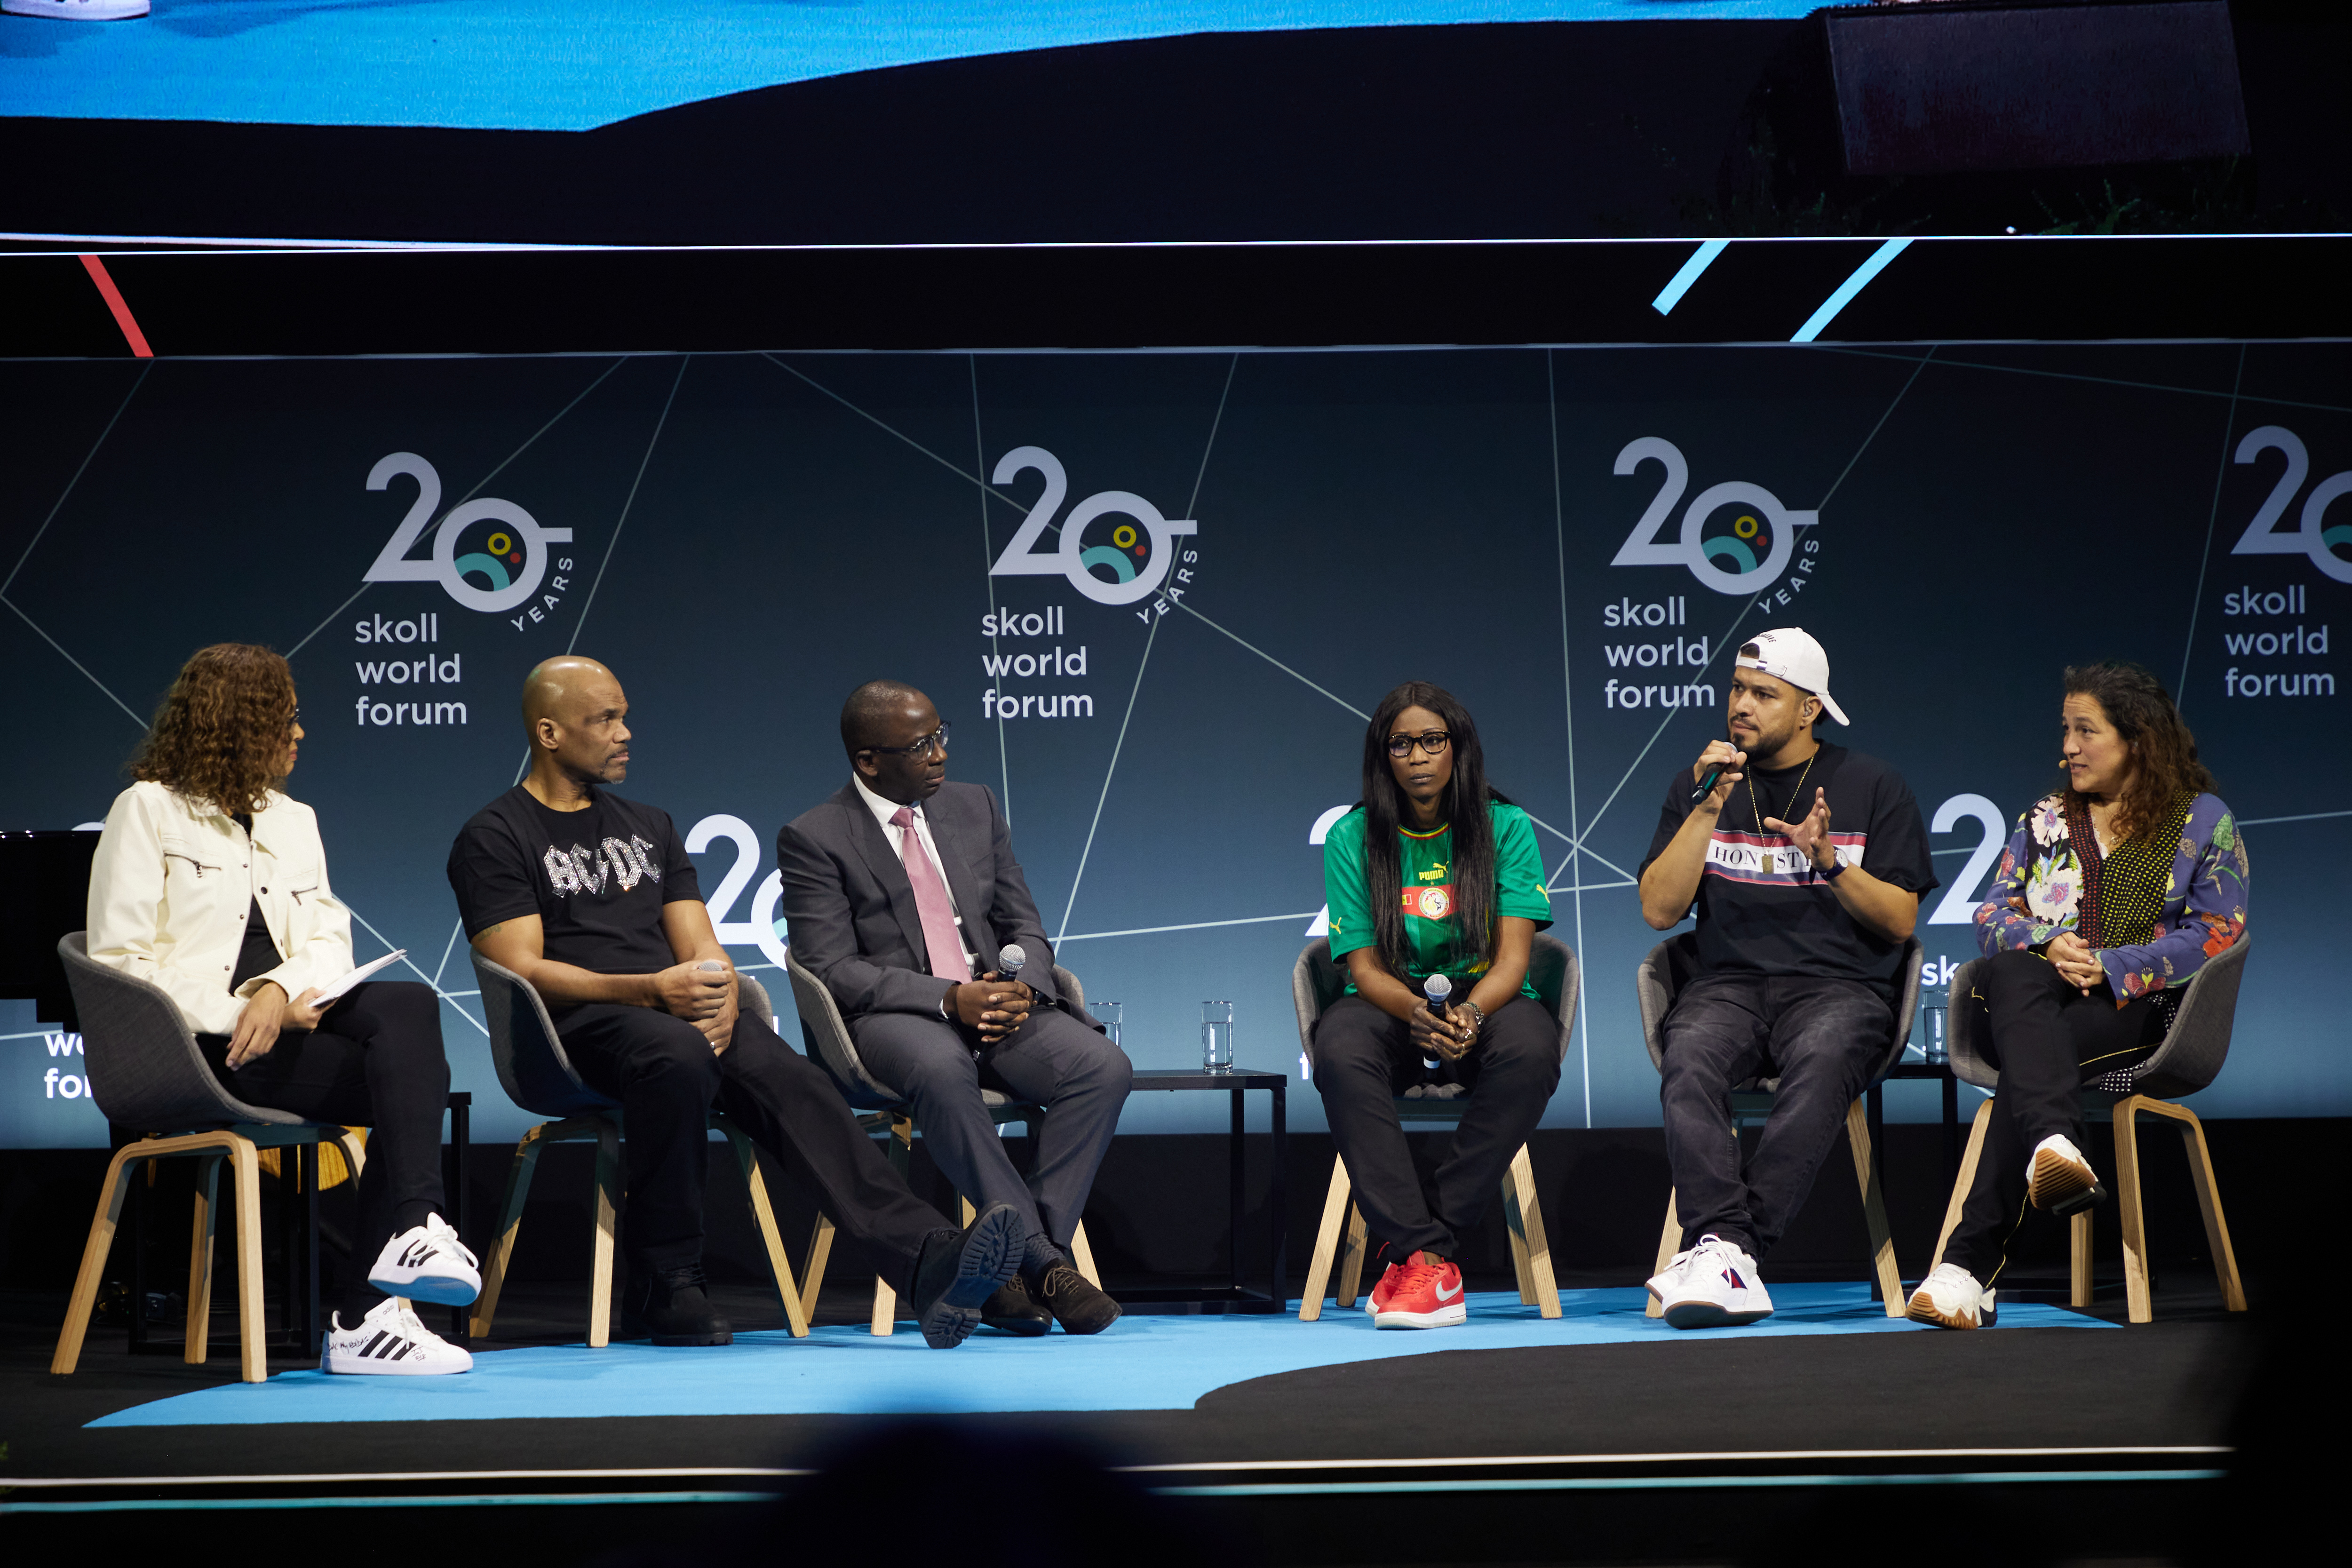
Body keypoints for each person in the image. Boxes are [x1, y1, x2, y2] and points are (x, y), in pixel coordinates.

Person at [448, 657, 1026, 1350]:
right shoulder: (497, 834)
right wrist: (653, 990)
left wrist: (719, 993)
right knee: (677, 1054)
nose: (625, 733)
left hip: (670, 1017)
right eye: (604, 720)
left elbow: (700, 943)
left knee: (790, 1075)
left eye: (624, 714)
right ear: (547, 732)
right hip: (569, 1030)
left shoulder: (650, 824)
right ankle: (666, 1282)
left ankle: (926, 1256)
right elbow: (522, 967)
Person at [86, 644, 476, 1376]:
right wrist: (238, 1007)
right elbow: (120, 965)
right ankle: (368, 1312)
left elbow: (329, 935)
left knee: (410, 1009)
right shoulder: (147, 810)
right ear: (238, 724)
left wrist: (275, 990)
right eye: (286, 719)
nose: (300, 734)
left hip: (290, 1029)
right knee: (408, 1086)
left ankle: (412, 1233)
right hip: (202, 1049)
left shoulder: (294, 819)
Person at [777, 681, 1128, 1337]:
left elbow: (1024, 922)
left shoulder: (975, 806)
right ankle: (1049, 1264)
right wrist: (946, 998)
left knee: (1101, 1066)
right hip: (896, 1019)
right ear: (868, 760)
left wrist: (1021, 983)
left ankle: (1013, 1270)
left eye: (942, 735)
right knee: (943, 1071)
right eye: (920, 745)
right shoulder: (814, 836)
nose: (939, 754)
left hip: (994, 1002)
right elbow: (833, 967)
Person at [1908, 662, 2249, 1330]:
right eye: (2066, 730)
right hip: (2036, 1003)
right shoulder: (2044, 820)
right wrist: (2047, 942)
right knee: (2014, 973)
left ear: (2138, 739)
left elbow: (2219, 930)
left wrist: (2113, 963)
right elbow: (1991, 916)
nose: (2067, 746)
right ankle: (2055, 1142)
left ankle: (1964, 1268)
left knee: (2033, 1064)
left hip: (2143, 1013)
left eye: (2085, 730)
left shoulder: (2202, 820)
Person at [1637, 628, 1936, 1329]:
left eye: (1763, 694)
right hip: (1727, 985)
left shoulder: (1872, 784)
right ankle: (1727, 1247)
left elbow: (1899, 921)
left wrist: (1831, 861)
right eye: (1738, 688)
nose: (1741, 705)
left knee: (1826, 1056)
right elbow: (1658, 909)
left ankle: (1730, 1247)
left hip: (1842, 988)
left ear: (1809, 710)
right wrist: (1709, 806)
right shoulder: (1699, 782)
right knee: (1688, 1060)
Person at [1312, 681, 1558, 1330]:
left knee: (1533, 1050)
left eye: (1432, 740)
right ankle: (1427, 1254)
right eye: (1402, 743)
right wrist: (1417, 1012)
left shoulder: (1505, 826)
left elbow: (1513, 962)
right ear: (1383, 755)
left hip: (1489, 999)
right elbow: (1363, 967)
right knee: (1338, 1049)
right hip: (1393, 1002)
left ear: (1458, 749)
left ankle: (1426, 1248)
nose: (1418, 756)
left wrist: (1472, 1014)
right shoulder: (1353, 836)